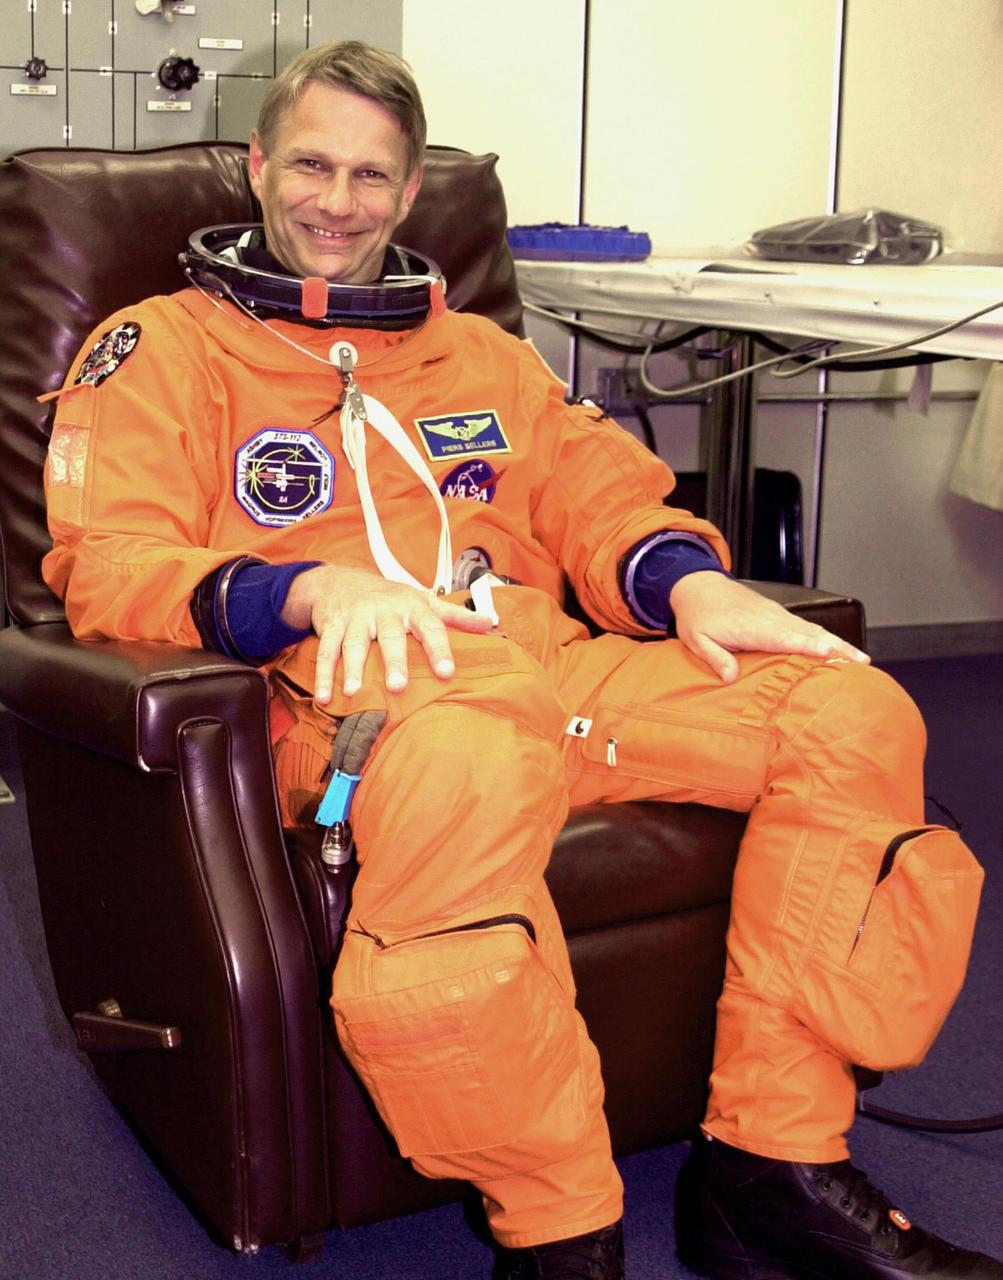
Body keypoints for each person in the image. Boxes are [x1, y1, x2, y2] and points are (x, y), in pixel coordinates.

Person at [40, 39, 1000, 1280]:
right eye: (314, 165)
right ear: (261, 166)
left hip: (539, 665)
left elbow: (601, 497)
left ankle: (773, 1167)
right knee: (472, 767)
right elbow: (106, 564)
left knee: (853, 715)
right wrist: (303, 587)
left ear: (408, 192)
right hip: (350, 700)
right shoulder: (158, 349)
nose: (340, 201)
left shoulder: (480, 354)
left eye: (373, 176)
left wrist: (687, 579)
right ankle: (558, 1227)